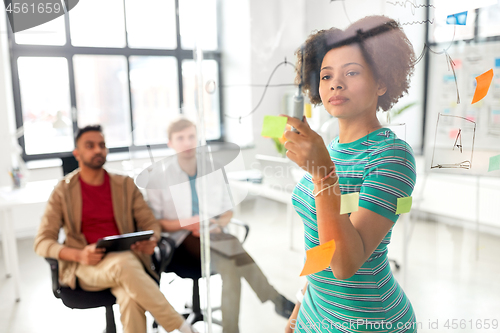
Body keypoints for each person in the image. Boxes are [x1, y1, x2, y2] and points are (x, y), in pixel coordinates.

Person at [281, 16, 418, 332]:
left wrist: (322, 174)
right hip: (316, 312)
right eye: (326, 75)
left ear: (381, 82)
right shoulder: (332, 147)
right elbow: (318, 241)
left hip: (366, 319)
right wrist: (299, 307)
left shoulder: (392, 155)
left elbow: (344, 264)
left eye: (351, 72)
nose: (335, 84)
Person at [34, 125, 197, 333]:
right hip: (87, 266)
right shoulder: (63, 190)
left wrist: (152, 241)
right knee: (124, 264)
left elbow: (150, 224)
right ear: (77, 153)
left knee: (131, 297)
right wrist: (79, 255)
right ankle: (183, 328)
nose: (97, 150)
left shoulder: (125, 185)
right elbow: (42, 242)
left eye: (102, 145)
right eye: (90, 146)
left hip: (128, 264)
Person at [146, 118, 295, 333]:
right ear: (170, 143)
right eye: (180, 138)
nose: (187, 143)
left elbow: (227, 212)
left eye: (191, 137)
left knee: (231, 270)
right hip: (179, 244)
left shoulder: (212, 170)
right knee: (232, 246)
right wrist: (190, 224)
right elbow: (156, 223)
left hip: (213, 237)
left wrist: (215, 223)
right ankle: (275, 299)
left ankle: (232, 329)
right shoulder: (159, 176)